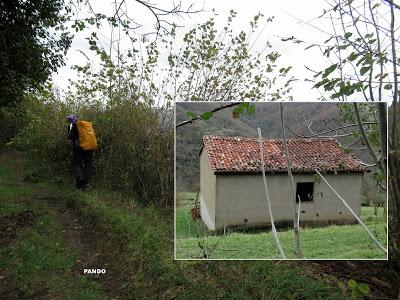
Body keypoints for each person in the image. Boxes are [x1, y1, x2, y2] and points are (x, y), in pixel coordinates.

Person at [67, 115, 93, 190]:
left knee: (76, 164)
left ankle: (80, 180)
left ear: (72, 120)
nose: (68, 122)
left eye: (69, 120)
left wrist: (72, 143)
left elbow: (69, 140)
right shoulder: (86, 125)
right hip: (89, 148)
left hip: (79, 148)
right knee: (87, 165)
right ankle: (86, 184)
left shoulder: (72, 125)